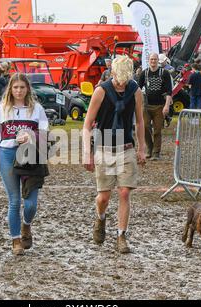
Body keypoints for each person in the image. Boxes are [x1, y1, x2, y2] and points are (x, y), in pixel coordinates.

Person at [83, 55, 146, 254]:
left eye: (125, 81)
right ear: (112, 74)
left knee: (125, 192)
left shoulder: (135, 90)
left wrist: (141, 147)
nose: (121, 84)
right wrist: (87, 152)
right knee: (103, 197)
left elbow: (140, 121)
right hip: (104, 148)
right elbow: (87, 125)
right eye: (119, 80)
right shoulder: (101, 91)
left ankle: (121, 236)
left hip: (126, 147)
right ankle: (100, 219)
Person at [0, 73, 49, 256]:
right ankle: (16, 240)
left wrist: (31, 136)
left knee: (30, 204)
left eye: (22, 87)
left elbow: (46, 134)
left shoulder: (37, 109)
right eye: (15, 87)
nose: (19, 91)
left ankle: (26, 225)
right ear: (10, 89)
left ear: (27, 88)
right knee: (14, 201)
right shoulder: (1, 110)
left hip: (30, 156)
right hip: (7, 155)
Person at [138, 53, 172, 160]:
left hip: (160, 106)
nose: (153, 61)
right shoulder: (144, 73)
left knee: (157, 130)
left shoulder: (164, 73)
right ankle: (150, 149)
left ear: (158, 60)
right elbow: (138, 89)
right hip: (146, 106)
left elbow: (169, 92)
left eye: (155, 59)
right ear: (148, 60)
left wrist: (166, 106)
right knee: (145, 127)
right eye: (151, 59)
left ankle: (156, 153)